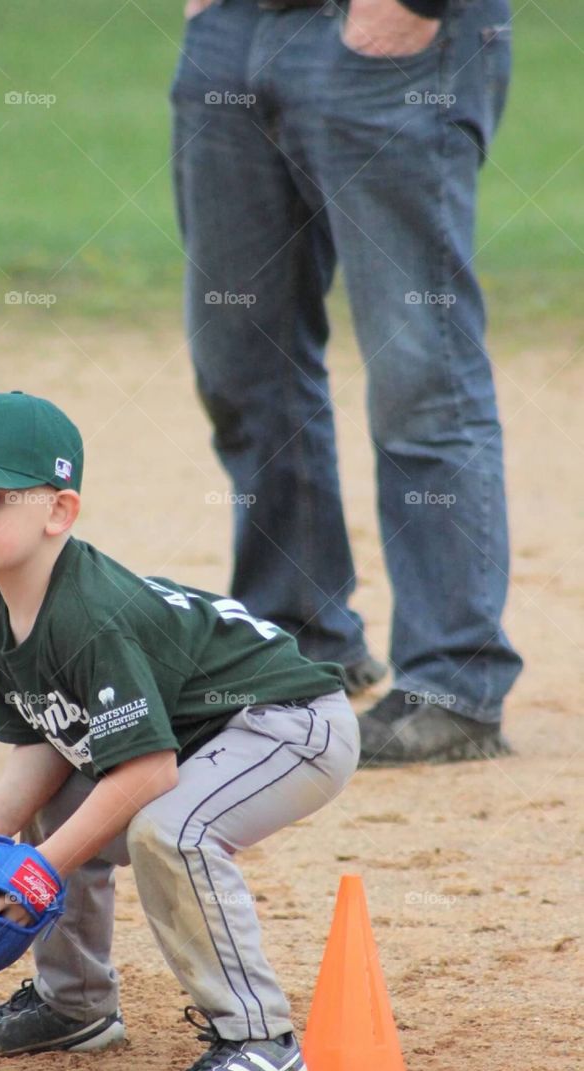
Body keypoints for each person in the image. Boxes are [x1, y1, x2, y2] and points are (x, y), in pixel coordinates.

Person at [0, 392, 360, 1071]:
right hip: (204, 735)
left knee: (171, 830)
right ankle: (73, 1007)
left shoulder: (90, 617)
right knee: (52, 806)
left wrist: (38, 873)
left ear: (58, 512)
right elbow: (53, 737)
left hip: (290, 725)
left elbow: (146, 770)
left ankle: (260, 1041)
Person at [172, 0, 522, 764]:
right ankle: (294, 640)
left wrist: (403, 9)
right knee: (239, 363)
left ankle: (452, 685)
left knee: (417, 374)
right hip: (229, 33)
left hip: (383, 34)